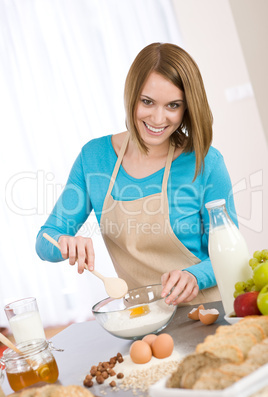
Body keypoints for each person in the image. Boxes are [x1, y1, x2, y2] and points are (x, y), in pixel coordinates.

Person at [36, 42, 237, 306]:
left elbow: (230, 252)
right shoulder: (94, 159)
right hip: (144, 322)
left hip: (208, 312)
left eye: (173, 105)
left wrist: (195, 275)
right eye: (147, 102)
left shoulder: (205, 162)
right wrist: (63, 242)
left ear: (186, 108)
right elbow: (45, 238)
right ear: (132, 96)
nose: (157, 118)